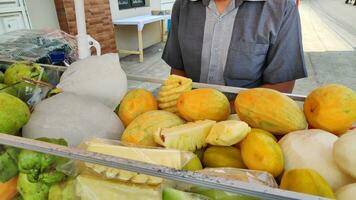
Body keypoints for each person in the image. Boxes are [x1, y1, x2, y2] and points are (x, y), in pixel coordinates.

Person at [162, 0, 307, 94]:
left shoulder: (281, 8)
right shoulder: (183, 6)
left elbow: (282, 85)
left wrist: (225, 111)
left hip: (249, 121)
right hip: (189, 114)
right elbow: (177, 71)